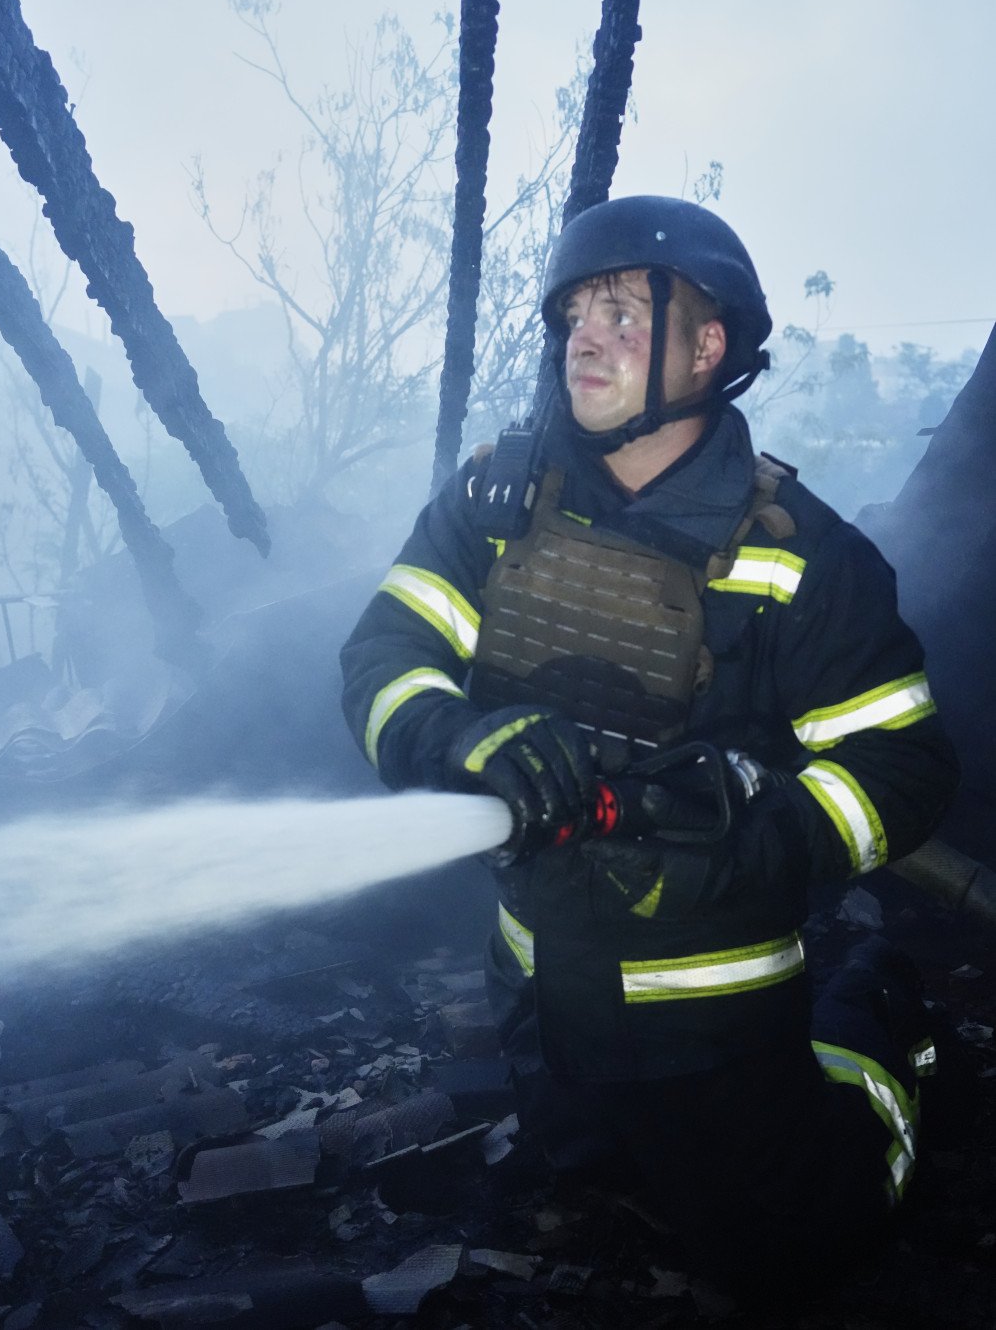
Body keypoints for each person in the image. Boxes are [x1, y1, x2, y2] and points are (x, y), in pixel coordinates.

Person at [340, 195, 958, 1297]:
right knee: (588, 1190)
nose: (585, 336)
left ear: (707, 346)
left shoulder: (807, 560)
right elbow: (384, 657)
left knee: (807, 1245)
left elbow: (904, 773)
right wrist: (461, 737)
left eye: (625, 314)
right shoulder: (495, 504)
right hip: (538, 995)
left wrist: (742, 845)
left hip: (715, 1021)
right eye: (577, 312)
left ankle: (880, 1024)